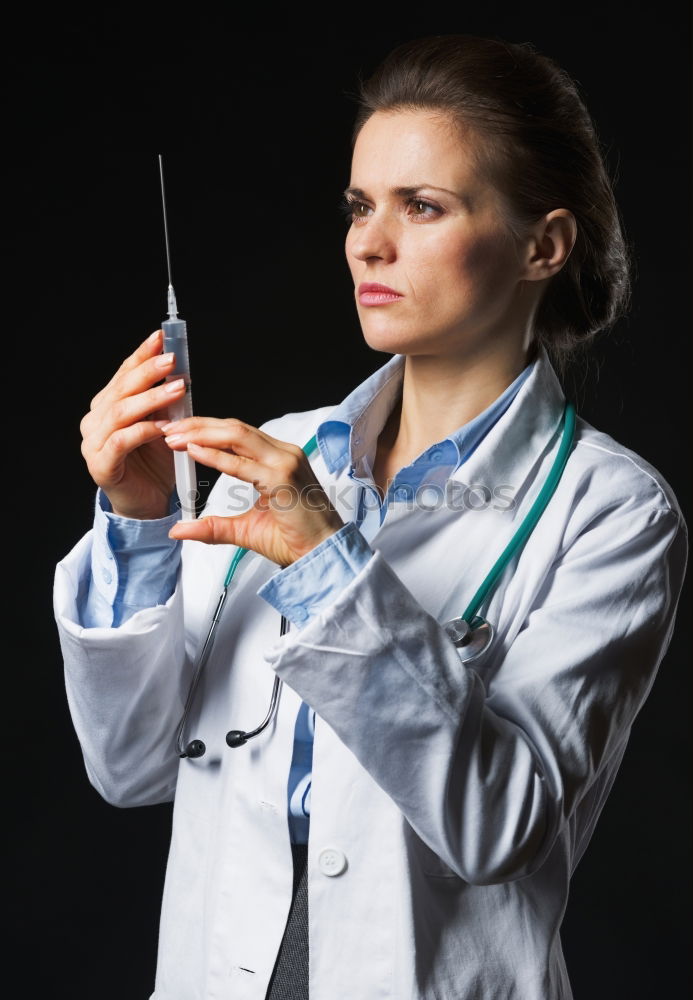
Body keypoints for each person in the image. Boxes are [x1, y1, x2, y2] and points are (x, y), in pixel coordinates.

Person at [53, 33, 687, 1000]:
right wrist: (138, 523)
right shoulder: (276, 452)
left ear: (542, 245)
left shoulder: (614, 513)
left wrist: (326, 561)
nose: (367, 242)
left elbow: (494, 825)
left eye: (422, 207)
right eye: (359, 206)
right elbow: (130, 766)